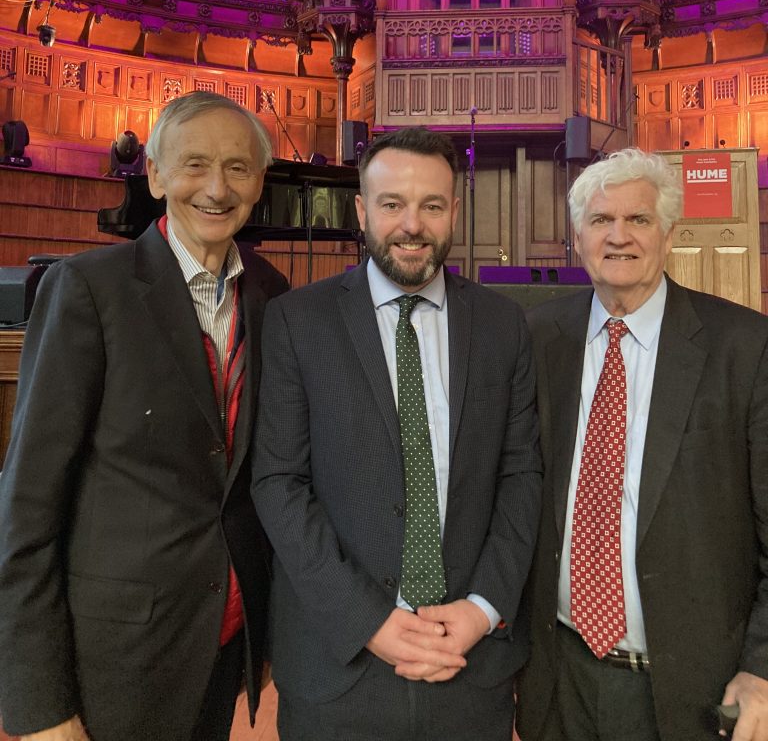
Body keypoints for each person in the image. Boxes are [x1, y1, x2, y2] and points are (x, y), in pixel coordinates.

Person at [0, 91, 288, 741]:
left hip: (225, 636)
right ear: (155, 175)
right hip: (116, 654)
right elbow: (28, 505)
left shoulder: (272, 294)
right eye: (194, 165)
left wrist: (264, 631)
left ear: (259, 182)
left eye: (238, 168)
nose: (216, 188)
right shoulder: (90, 291)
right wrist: (39, 700)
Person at [252, 126, 542, 741]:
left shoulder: (503, 327)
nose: (412, 224)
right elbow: (278, 483)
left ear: (454, 211)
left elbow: (522, 476)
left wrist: (483, 608)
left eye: (432, 205)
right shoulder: (296, 322)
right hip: (339, 663)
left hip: (468, 662)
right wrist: (368, 621)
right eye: (392, 204)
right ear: (361, 210)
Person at [515, 147, 768, 741]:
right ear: (578, 238)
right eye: (602, 220)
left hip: (692, 687)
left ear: (669, 234)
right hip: (560, 676)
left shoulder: (746, 348)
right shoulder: (537, 338)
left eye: (639, 219)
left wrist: (762, 666)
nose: (619, 236)